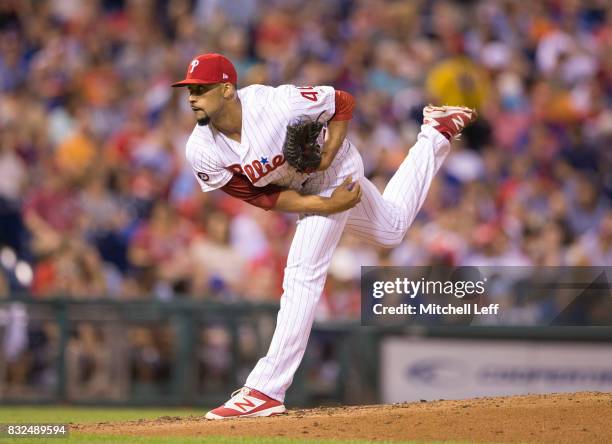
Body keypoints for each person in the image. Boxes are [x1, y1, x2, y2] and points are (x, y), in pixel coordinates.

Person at [172, 53, 476, 419]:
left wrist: (328, 156)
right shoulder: (201, 149)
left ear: (226, 89)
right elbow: (260, 196)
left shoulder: (276, 103)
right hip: (308, 189)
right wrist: (324, 205)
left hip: (337, 170)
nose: (192, 97)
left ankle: (265, 390)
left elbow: (342, 102)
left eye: (200, 89)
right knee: (390, 229)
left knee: (301, 274)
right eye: (189, 90)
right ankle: (435, 133)